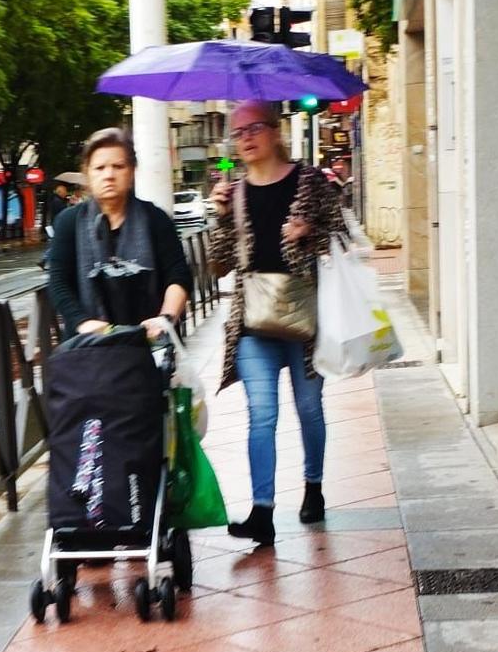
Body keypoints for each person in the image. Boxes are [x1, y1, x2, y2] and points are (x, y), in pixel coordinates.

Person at [207, 100, 347, 547]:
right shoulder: (235, 192)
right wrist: (220, 216)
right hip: (253, 320)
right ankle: (262, 512)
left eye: (255, 128)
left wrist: (312, 233)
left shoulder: (310, 181)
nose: (246, 138)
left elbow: (342, 238)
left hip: (305, 317)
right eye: (238, 133)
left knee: (309, 408)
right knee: (261, 415)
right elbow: (218, 265)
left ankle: (313, 487)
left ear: (275, 130)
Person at [46, 128, 190, 342]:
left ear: (132, 171)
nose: (109, 175)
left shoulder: (155, 218)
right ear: (87, 173)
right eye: (100, 168)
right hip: (86, 348)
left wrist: (165, 318)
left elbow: (178, 275)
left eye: (118, 166)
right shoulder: (69, 222)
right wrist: (83, 322)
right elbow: (58, 281)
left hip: (147, 346)